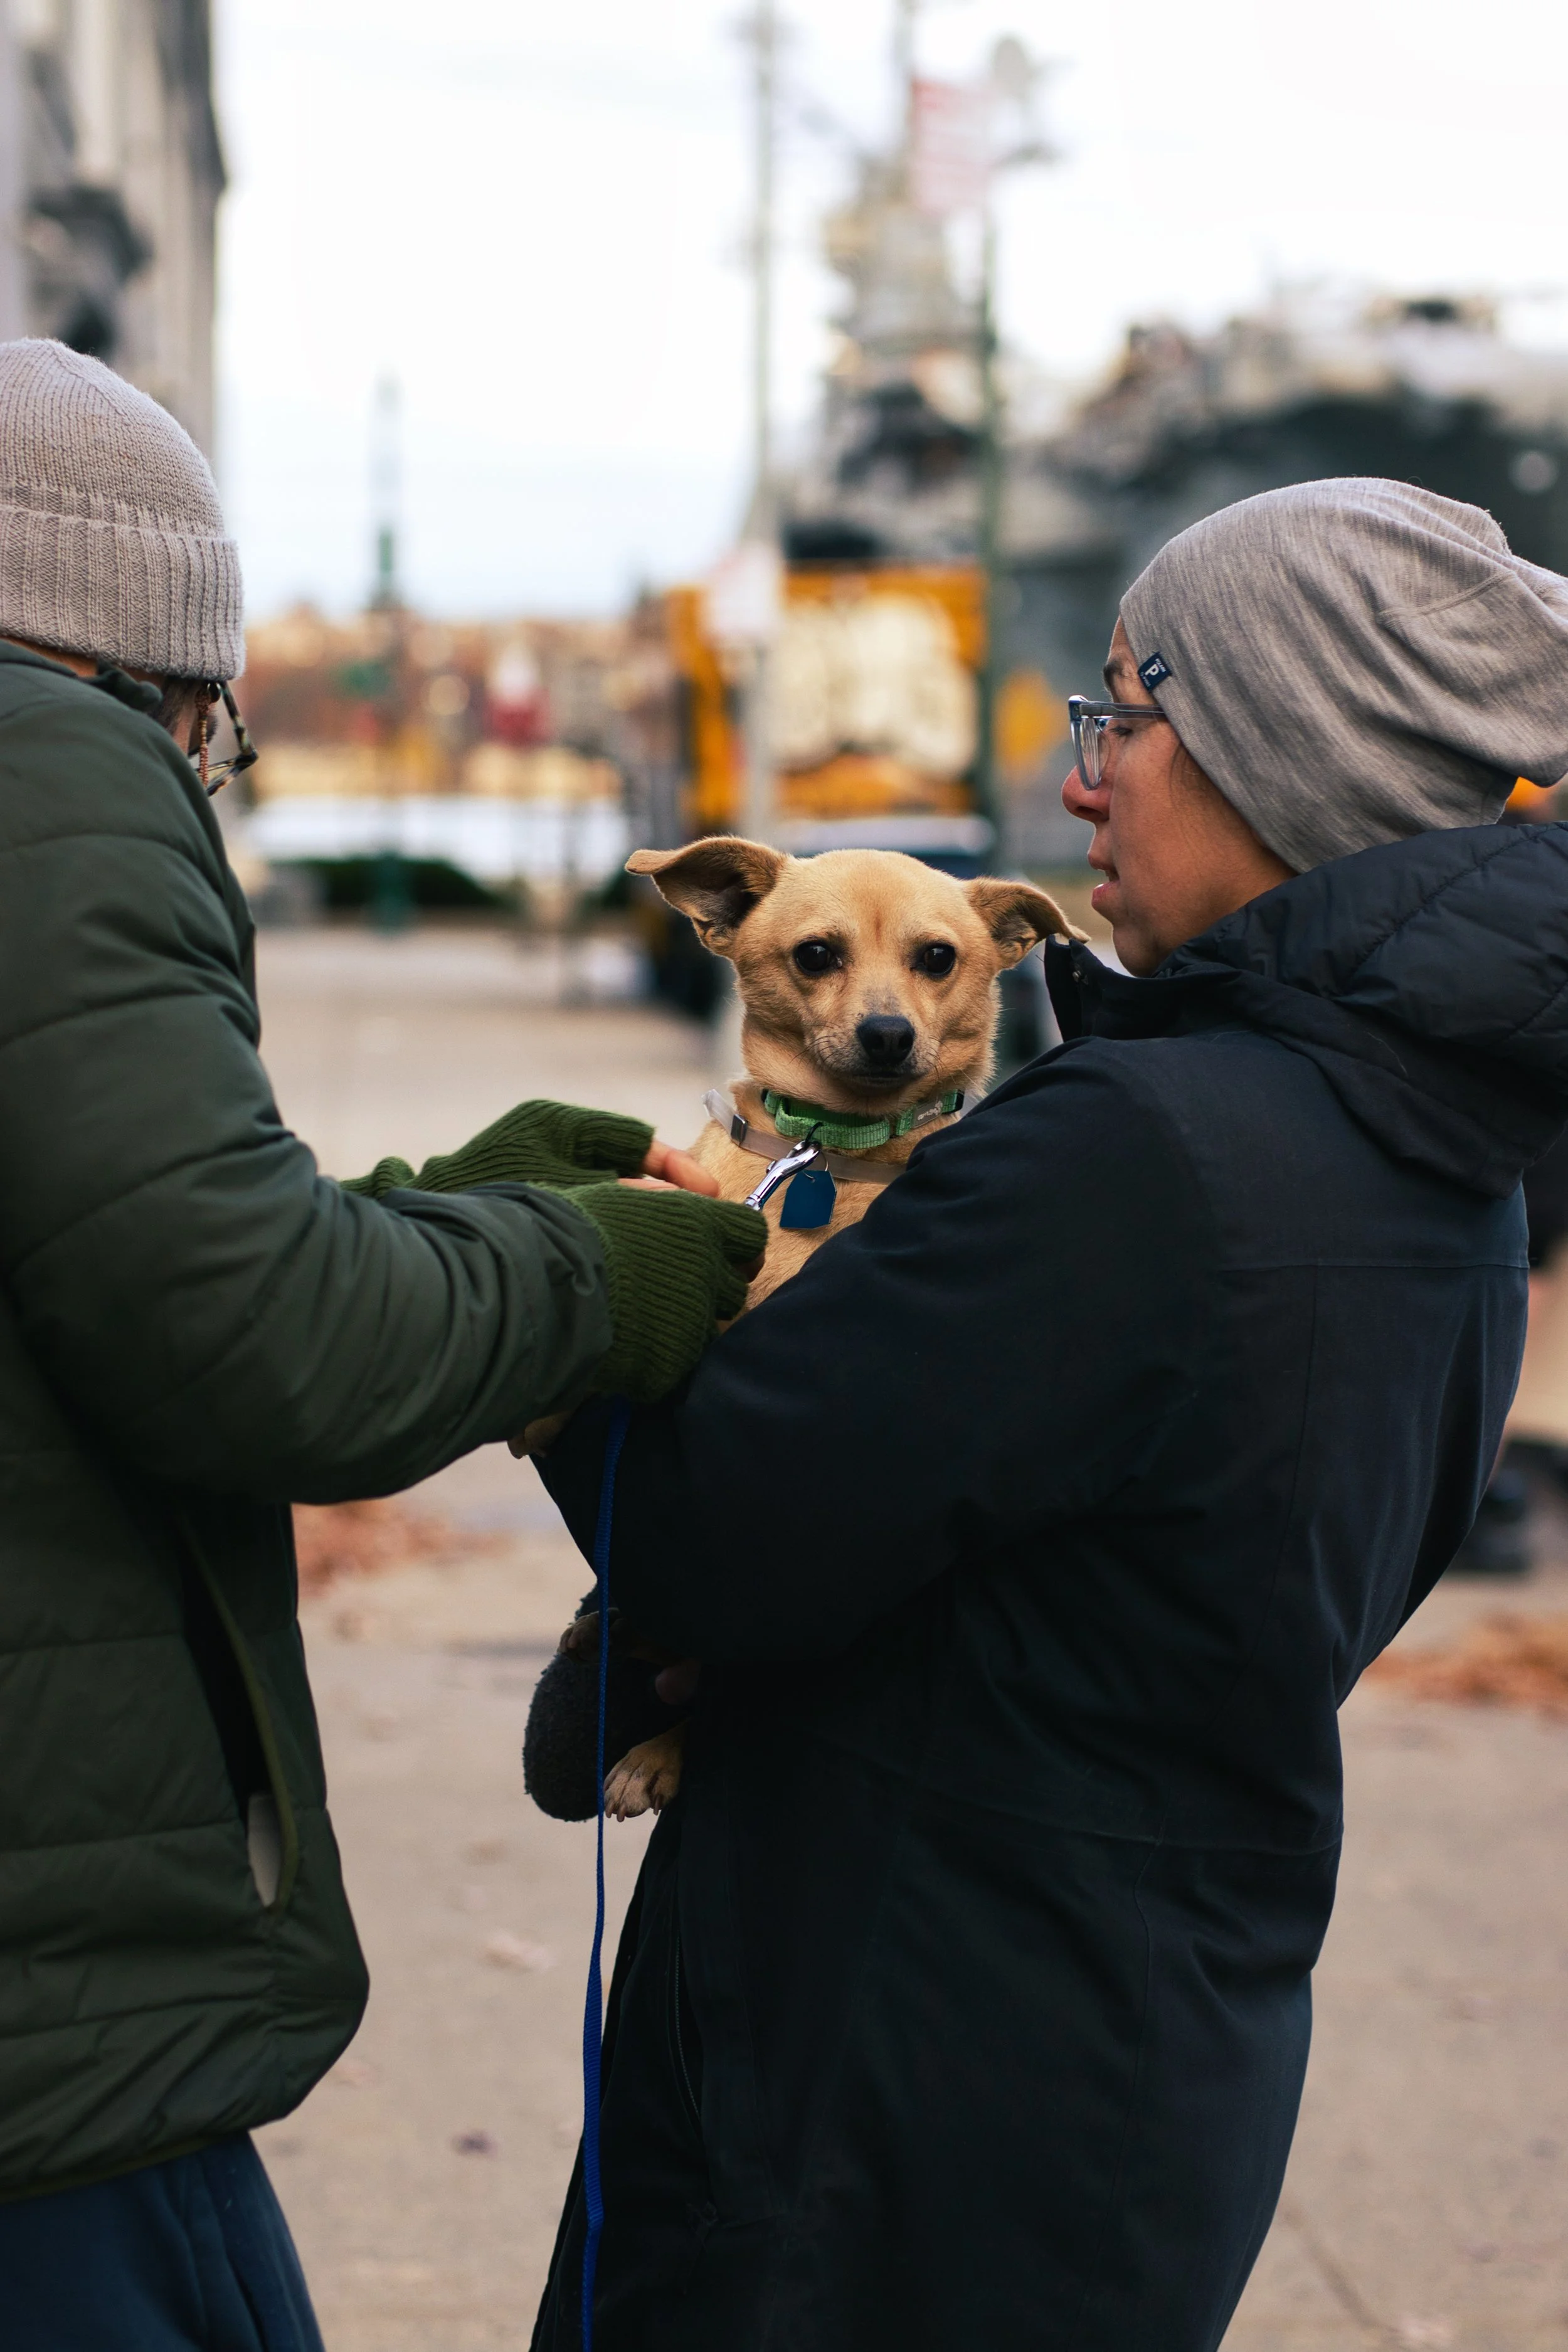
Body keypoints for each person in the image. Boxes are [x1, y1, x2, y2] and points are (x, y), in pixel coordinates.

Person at [528, 477, 1568, 2351]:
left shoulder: (1133, 1155)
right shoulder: (1460, 1173)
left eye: (1126, 715)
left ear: (1278, 743)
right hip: (1162, 2054)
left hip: (868, 2100)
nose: (1079, 775)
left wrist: (579, 1291)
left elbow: (707, 1531)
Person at [0, 338, 764, 2351]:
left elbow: (93, 1248)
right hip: (42, 2019)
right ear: (144, 670)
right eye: (214, 735)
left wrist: (435, 1210)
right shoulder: (45, 763)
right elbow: (249, 1340)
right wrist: (593, 1269)